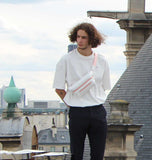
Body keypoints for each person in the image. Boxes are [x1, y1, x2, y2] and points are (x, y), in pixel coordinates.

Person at [53, 22, 111, 160]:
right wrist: (71, 102)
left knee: (98, 154)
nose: (79, 40)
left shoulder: (102, 61)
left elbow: (104, 86)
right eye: (78, 37)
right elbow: (59, 88)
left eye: (83, 37)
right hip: (77, 111)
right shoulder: (66, 60)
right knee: (76, 154)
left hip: (97, 110)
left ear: (91, 39)